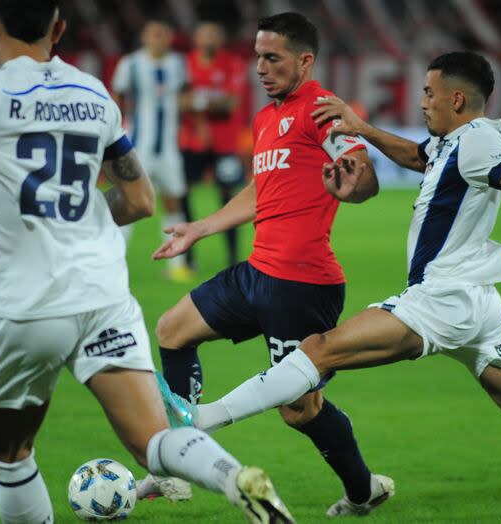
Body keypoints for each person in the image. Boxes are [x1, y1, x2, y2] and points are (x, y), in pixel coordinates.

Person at [172, 51, 501, 496]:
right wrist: (363, 127)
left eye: (429, 93)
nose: (422, 101)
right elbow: (417, 156)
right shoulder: (453, 143)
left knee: (317, 351)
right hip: (476, 304)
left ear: (458, 98)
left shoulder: (480, 140)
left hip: (442, 298)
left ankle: (202, 420)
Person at [0, 2, 294, 522]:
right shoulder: (91, 92)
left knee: (9, 455)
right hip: (103, 298)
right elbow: (141, 201)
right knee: (152, 440)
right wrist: (76, 216)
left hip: (25, 306)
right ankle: (233, 478)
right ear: (58, 28)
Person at [153, 12, 395, 518]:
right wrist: (201, 228)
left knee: (299, 409)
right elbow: (263, 190)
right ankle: (174, 463)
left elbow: (363, 173)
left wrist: (358, 185)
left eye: (273, 58)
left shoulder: (321, 109)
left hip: (303, 284)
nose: (260, 68)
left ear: (305, 60)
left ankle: (361, 490)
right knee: (173, 329)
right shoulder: (267, 118)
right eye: (257, 58)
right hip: (258, 271)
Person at [110, 18, 193, 282]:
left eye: (163, 34)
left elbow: (184, 98)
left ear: (170, 38)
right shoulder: (130, 64)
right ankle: (113, 263)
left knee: (173, 201)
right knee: (129, 202)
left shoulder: (178, 64)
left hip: (168, 147)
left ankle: (177, 266)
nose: (159, 38)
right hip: (138, 147)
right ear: (145, 37)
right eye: (154, 34)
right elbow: (117, 100)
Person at [179, 19, 248, 269]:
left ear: (220, 40)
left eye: (213, 35)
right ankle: (187, 259)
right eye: (204, 34)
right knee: (183, 194)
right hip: (191, 142)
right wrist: (209, 101)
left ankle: (232, 260)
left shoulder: (232, 64)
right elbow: (178, 102)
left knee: (229, 200)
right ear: (196, 39)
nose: (208, 39)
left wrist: (195, 101)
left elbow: (230, 104)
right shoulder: (184, 65)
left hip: (225, 144)